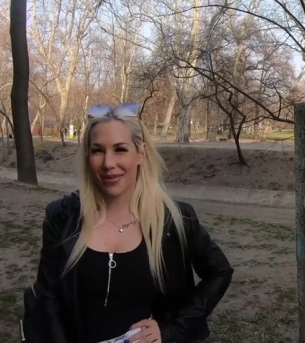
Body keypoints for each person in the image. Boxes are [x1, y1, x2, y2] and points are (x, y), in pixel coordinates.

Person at [21, 102, 233, 343]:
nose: (108, 163)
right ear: (87, 156)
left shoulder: (175, 219)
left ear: (141, 153)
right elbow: (47, 297)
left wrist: (172, 329)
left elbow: (220, 272)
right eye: (98, 150)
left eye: (120, 149)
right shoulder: (62, 217)